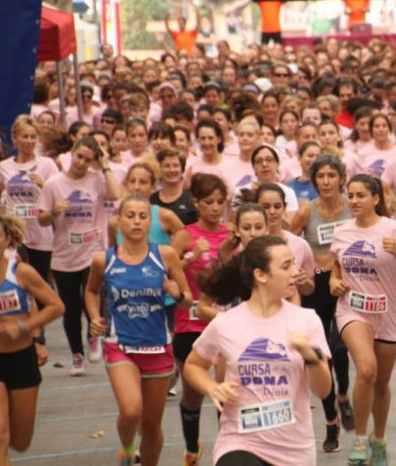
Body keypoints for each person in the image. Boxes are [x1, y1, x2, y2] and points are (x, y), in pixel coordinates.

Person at [183, 235, 332, 466]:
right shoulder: (226, 323)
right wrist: (212, 387)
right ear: (260, 275)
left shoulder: (306, 321)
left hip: (294, 450)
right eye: (286, 266)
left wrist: (310, 355)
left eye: (294, 263)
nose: (295, 271)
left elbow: (323, 390)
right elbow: (193, 365)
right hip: (240, 441)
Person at [85, 195, 192, 466]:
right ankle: (127, 445)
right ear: (119, 221)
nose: (136, 221)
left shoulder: (164, 255)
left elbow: (188, 299)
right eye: (130, 215)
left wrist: (176, 293)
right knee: (131, 411)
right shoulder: (104, 260)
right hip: (120, 346)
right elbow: (91, 291)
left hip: (157, 346)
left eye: (142, 216)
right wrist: (95, 316)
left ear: (149, 221)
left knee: (152, 424)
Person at [329, 174, 396, 465]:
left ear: (376, 199)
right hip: (352, 310)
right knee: (366, 369)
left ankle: (378, 441)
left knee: (381, 382)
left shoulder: (395, 229)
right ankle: (358, 440)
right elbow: (335, 267)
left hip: (388, 312)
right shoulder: (342, 231)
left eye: (360, 195)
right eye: (350, 195)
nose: (354, 201)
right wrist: (333, 281)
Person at [37, 136, 121, 375]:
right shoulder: (53, 184)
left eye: (88, 159)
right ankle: (77, 355)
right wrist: (53, 212)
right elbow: (41, 219)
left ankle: (93, 335)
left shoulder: (96, 180)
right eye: (80, 157)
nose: (82, 163)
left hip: (92, 250)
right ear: (71, 154)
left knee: (92, 294)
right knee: (71, 307)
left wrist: (104, 164)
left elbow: (115, 194)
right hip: (64, 253)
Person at [288, 154, 355, 452]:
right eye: (321, 176)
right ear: (314, 181)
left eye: (331, 175)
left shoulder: (353, 207)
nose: (326, 181)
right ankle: (331, 421)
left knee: (340, 346)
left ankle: (344, 395)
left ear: (341, 177)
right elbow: (288, 246)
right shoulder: (306, 211)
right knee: (321, 352)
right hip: (316, 286)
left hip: (346, 284)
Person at [170, 173, 230, 465]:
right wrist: (191, 257)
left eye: (220, 202)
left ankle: (227, 449)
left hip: (222, 323)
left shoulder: (230, 234)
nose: (215, 208)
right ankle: (192, 448)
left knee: (224, 389)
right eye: (209, 202)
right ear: (196, 203)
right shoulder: (186, 234)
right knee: (192, 396)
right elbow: (168, 272)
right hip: (189, 322)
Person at [0, 213, 64, 465]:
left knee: (20, 441)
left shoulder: (22, 273)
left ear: (8, 240)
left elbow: (56, 306)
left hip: (21, 359)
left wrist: (26, 329)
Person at [0, 116, 59, 288]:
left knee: (40, 285)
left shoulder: (47, 164)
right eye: (25, 136)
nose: (30, 141)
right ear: (15, 139)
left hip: (41, 233)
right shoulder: (4, 166)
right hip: (15, 234)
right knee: (14, 281)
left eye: (33, 137)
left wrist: (44, 185)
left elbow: (59, 197)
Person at [151, 149, 198, 226]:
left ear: (182, 169)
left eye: (175, 166)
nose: (171, 170)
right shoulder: (151, 200)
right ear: (159, 169)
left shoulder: (192, 200)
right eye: (167, 166)